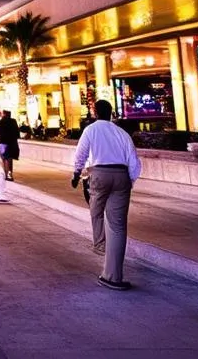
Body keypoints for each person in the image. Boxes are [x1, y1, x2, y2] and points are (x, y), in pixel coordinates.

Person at [71, 98, 142, 291]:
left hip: (99, 174)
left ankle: (99, 243)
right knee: (118, 227)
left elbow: (81, 155)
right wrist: (130, 182)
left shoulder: (91, 130)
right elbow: (134, 162)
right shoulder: (122, 133)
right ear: (111, 113)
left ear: (95, 112)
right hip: (122, 176)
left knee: (96, 209)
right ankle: (113, 276)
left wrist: (76, 174)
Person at [0, 110, 20, 181]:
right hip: (12, 143)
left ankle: (7, 175)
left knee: (5, 159)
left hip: (3, 143)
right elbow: (17, 133)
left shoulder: (2, 121)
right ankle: (9, 174)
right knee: (9, 159)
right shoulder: (13, 121)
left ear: (4, 114)